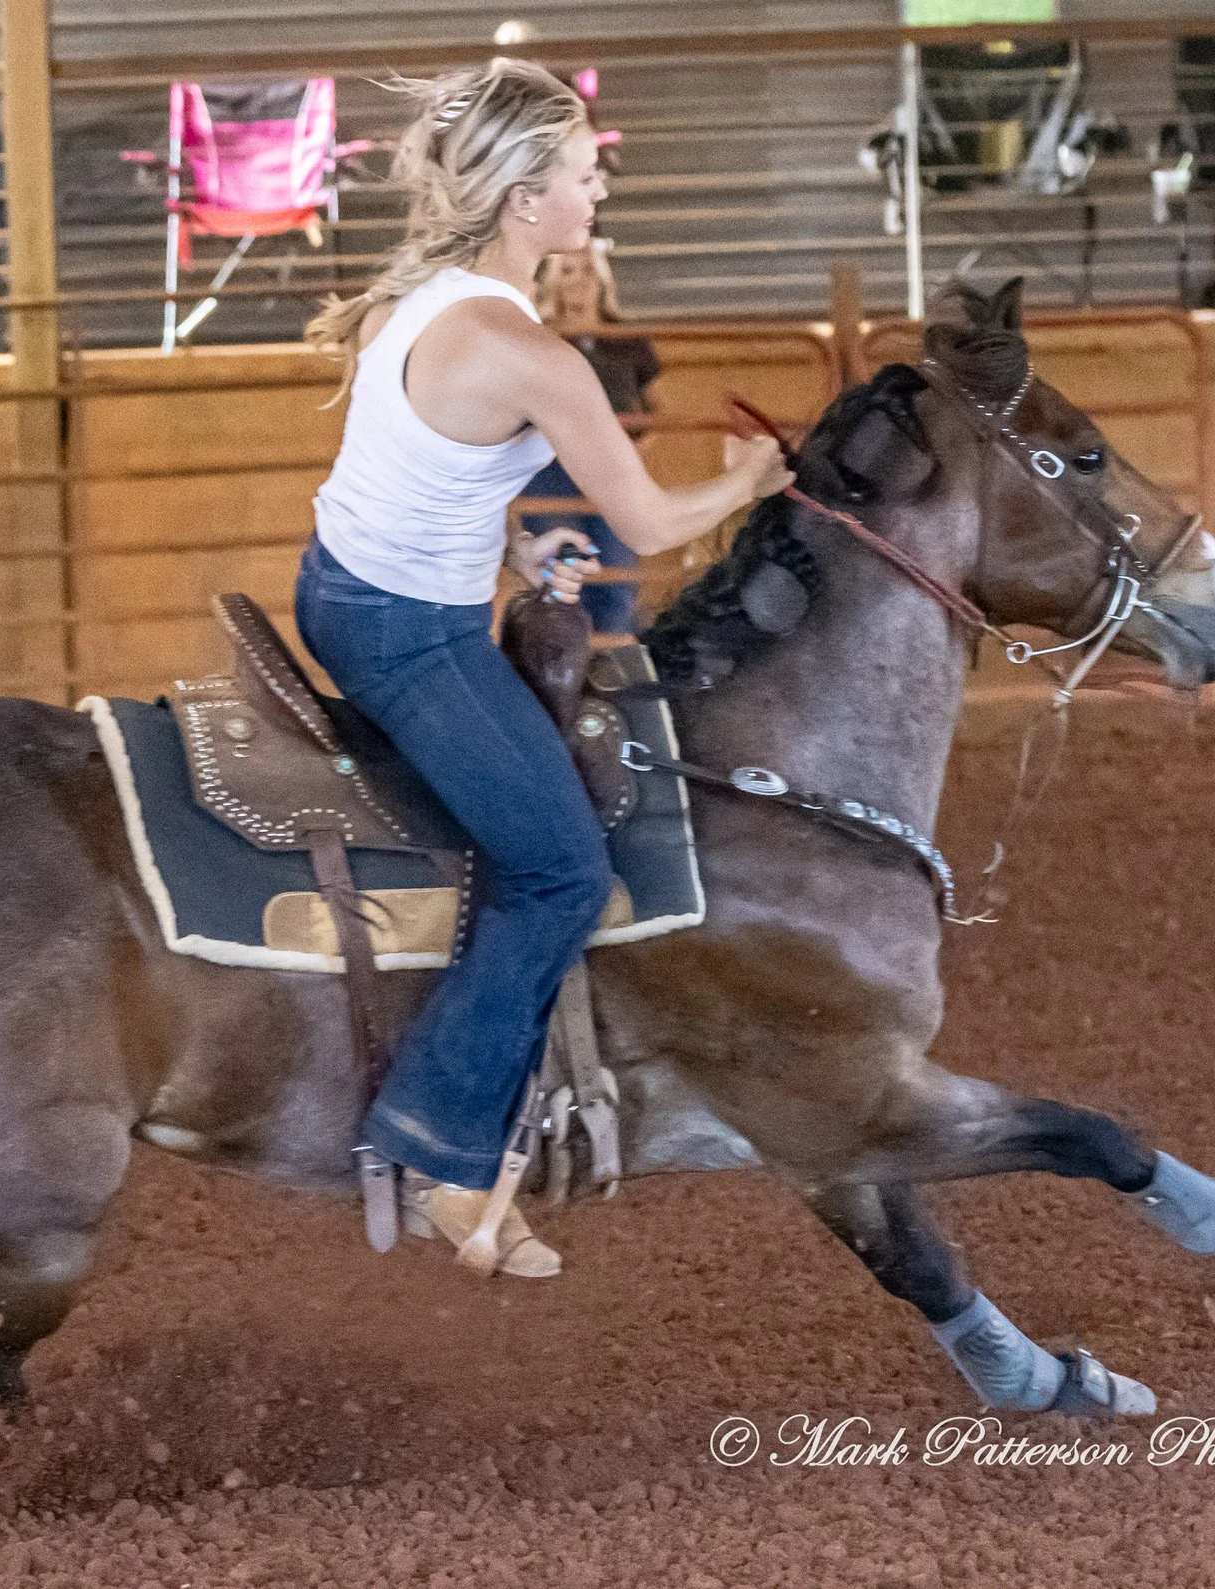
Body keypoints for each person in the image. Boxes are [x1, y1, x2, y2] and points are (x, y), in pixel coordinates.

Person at [296, 59, 790, 1278]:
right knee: (563, 872)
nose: (597, 187)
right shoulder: (533, 356)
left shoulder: (419, 299)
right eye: (581, 171)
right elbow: (653, 525)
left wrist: (505, 543)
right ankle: (437, 1150)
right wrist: (748, 479)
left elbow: (414, 461)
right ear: (526, 200)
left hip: (345, 588)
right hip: (407, 633)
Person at [517, 239, 661, 634]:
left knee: (616, 576)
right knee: (562, 573)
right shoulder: (537, 337)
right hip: (552, 470)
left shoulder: (628, 338)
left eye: (587, 270)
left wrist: (636, 450)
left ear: (601, 279)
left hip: (613, 469)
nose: (579, 280)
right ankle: (561, 660)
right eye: (567, 271)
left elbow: (654, 410)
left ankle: (611, 659)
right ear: (552, 283)